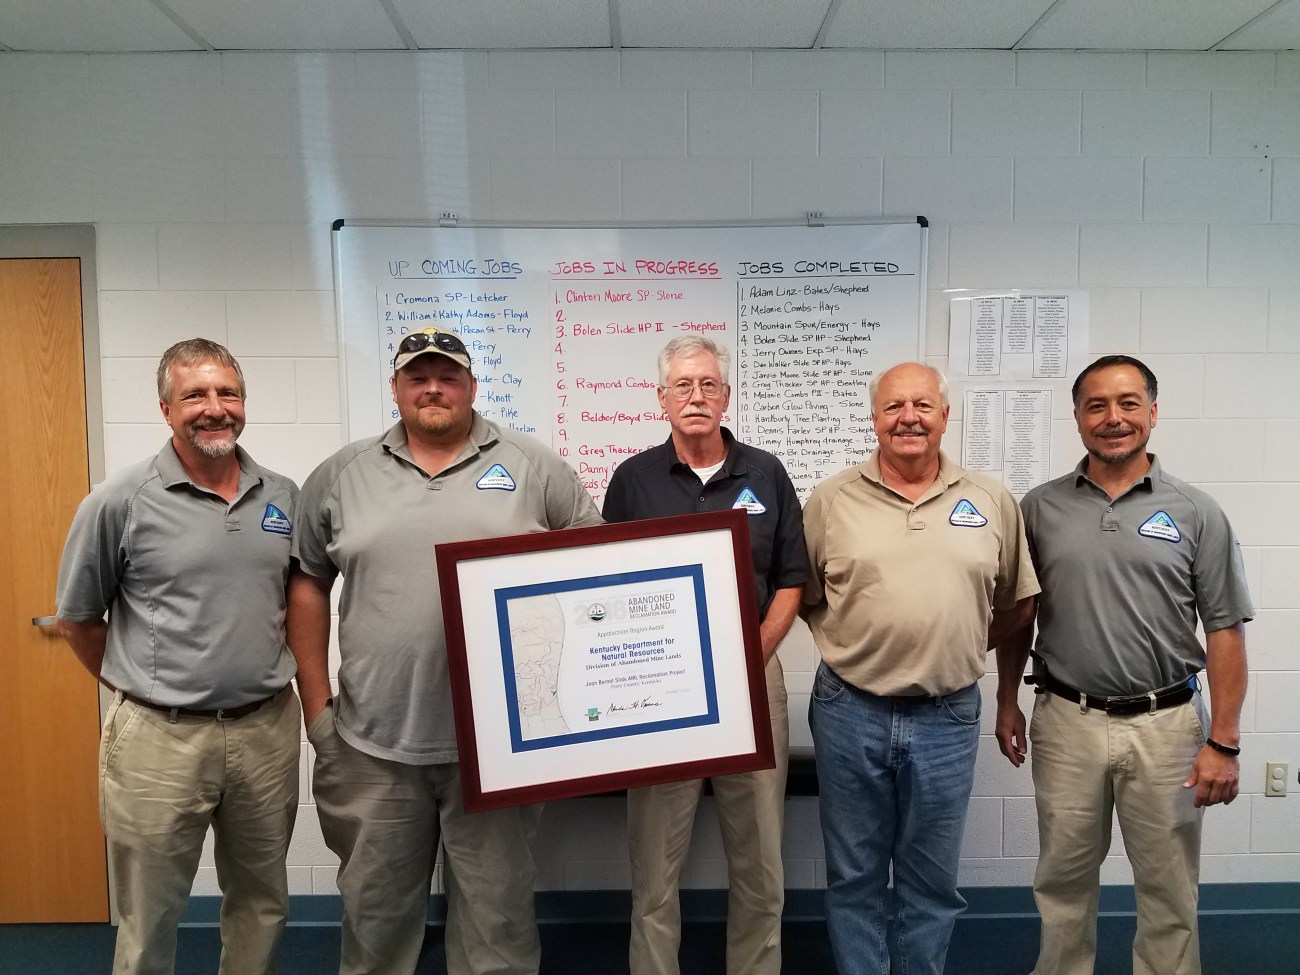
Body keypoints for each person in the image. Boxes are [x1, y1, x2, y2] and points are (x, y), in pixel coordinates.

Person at [288, 326, 602, 975]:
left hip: (500, 752)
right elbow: (308, 584)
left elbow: (596, 570)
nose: (433, 387)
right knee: (375, 928)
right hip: (373, 746)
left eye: (448, 375)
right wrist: (318, 711)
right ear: (397, 387)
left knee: (499, 933)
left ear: (471, 385)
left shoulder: (533, 466)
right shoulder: (342, 475)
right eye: (418, 375)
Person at [995, 355, 1252, 975]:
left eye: (1129, 403)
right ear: (1078, 417)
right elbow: (1020, 616)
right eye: (1097, 406)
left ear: (1153, 413)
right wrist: (1008, 701)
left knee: (1168, 891)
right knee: (1061, 886)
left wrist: (1225, 740)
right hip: (1066, 720)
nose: (1113, 419)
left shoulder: (1196, 511)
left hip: (1166, 728)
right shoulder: (1039, 508)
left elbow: (1224, 630)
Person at [54, 338, 301, 975]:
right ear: (166, 408)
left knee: (262, 900)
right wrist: (145, 689)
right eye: (196, 395)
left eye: (228, 393)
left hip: (266, 730)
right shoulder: (118, 501)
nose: (214, 408)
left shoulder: (283, 496)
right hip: (158, 740)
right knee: (150, 913)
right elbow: (79, 620)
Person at [801, 361, 1038, 975]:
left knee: (930, 881)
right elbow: (803, 596)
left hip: (948, 713)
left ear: (944, 416)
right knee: (853, 875)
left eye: (922, 405)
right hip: (849, 709)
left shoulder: (989, 498)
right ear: (874, 418)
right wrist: (862, 644)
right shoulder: (830, 499)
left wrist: (954, 644)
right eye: (893, 407)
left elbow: (1019, 601)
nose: (908, 417)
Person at [602, 335, 808, 975]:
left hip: (753, 676)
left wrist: (754, 654)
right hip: (660, 686)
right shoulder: (632, 481)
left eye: (709, 384)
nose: (697, 396)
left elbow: (792, 578)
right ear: (661, 398)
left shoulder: (766, 473)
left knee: (760, 858)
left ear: (726, 395)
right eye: (683, 386)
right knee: (655, 860)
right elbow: (605, 587)